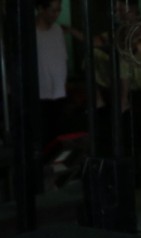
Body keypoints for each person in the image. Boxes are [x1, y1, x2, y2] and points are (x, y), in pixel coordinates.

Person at [35, 0, 83, 148]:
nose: (56, 15)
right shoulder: (30, 34)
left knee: (59, 139)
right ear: (41, 9)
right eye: (53, 10)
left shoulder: (58, 30)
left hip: (59, 94)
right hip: (40, 96)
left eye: (58, 11)